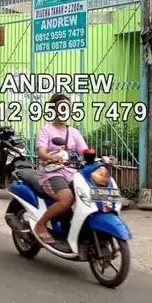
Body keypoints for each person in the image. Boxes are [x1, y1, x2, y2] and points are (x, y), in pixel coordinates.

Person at [33, 93, 89, 244]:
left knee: (89, 196)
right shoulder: (46, 130)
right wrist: (51, 156)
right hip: (52, 174)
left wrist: (103, 158)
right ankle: (41, 224)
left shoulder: (74, 132)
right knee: (66, 199)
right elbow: (41, 152)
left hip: (71, 173)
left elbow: (84, 150)